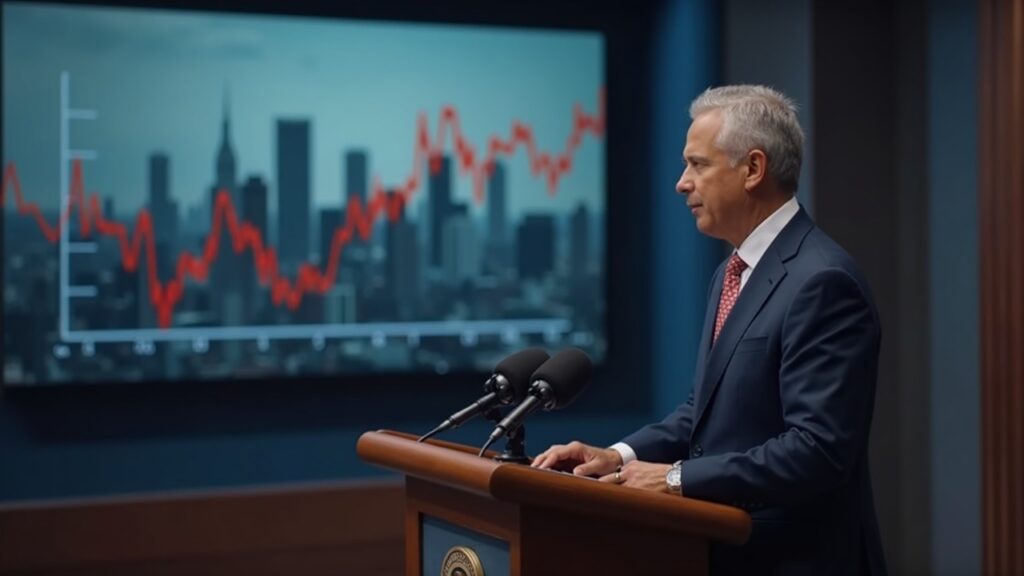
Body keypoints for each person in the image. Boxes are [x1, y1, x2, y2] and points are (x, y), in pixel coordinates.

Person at [532, 85, 887, 576]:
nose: (682, 183)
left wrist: (676, 479)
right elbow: (703, 413)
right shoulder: (730, 273)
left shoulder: (823, 281)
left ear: (753, 169)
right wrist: (616, 457)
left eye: (698, 165)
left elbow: (818, 450)